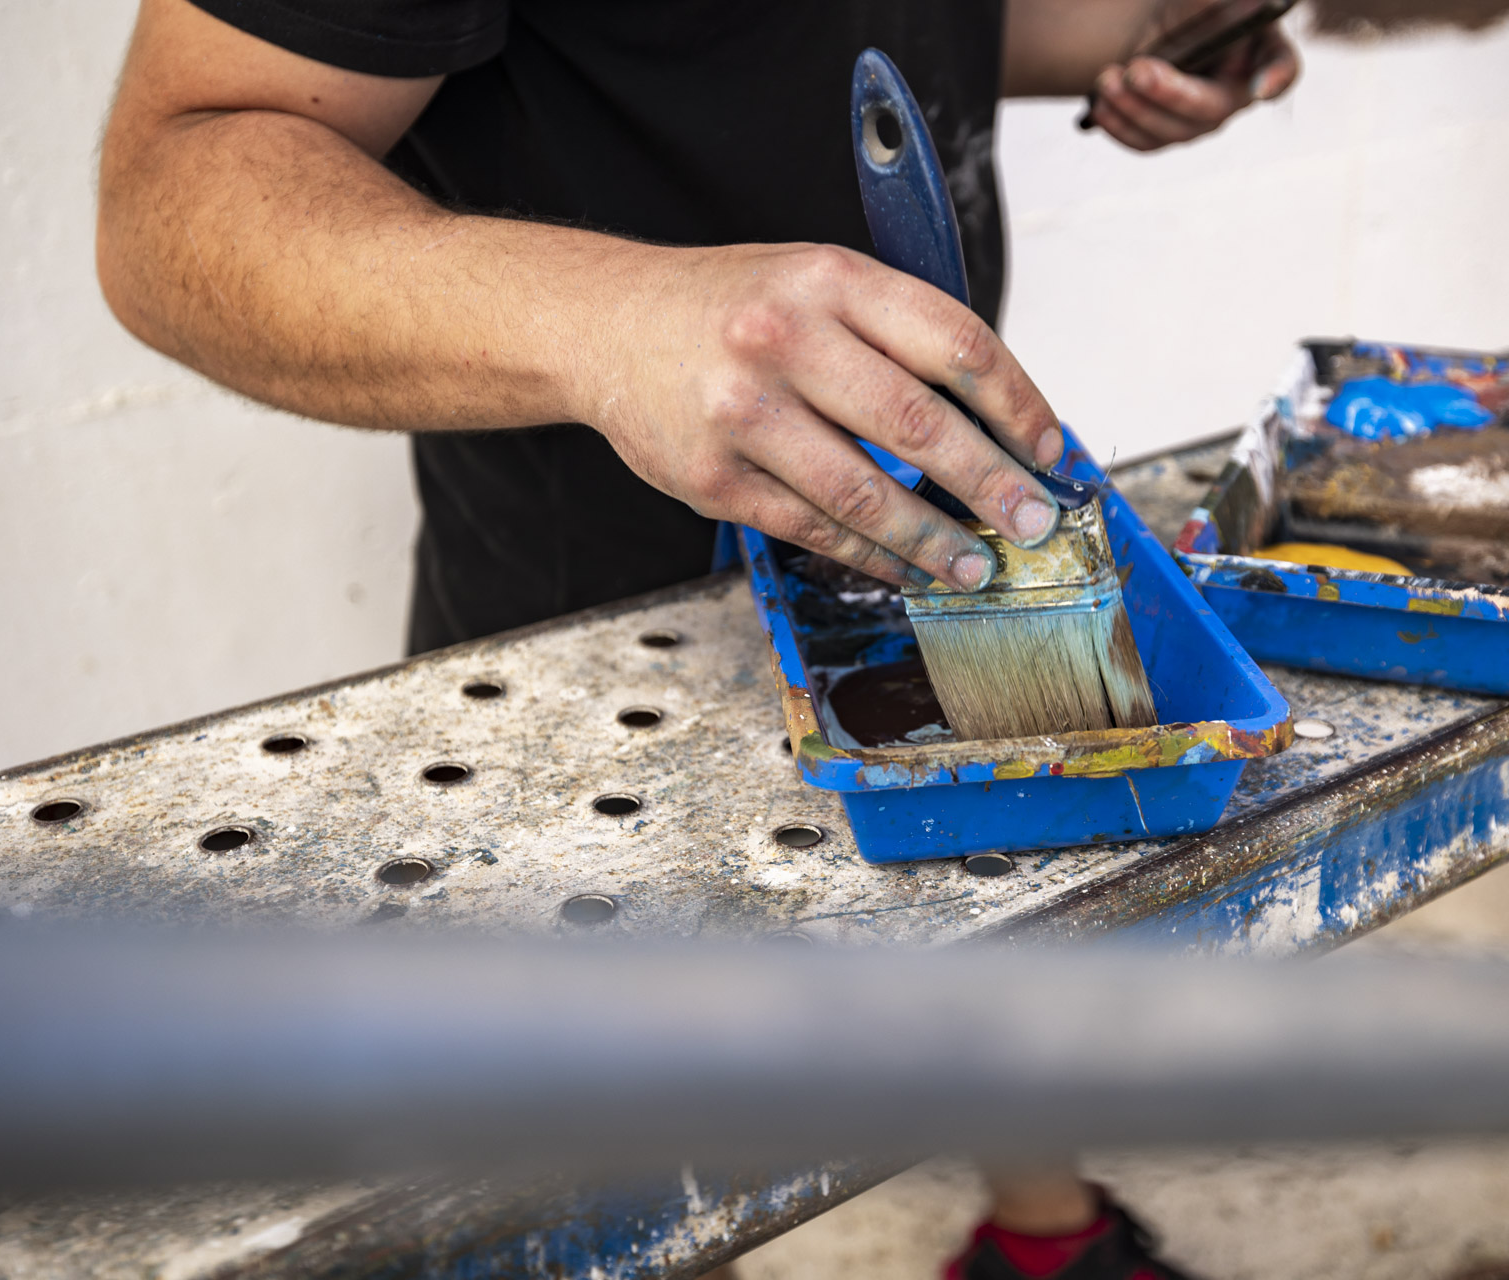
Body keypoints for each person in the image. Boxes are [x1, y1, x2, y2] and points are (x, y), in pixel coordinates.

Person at [96, 2, 1298, 1276]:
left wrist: (1162, 28)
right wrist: (612, 319)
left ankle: (1047, 1237)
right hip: (598, 616)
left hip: (930, 506)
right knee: (642, 1146)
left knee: (1014, 860)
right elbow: (174, 188)